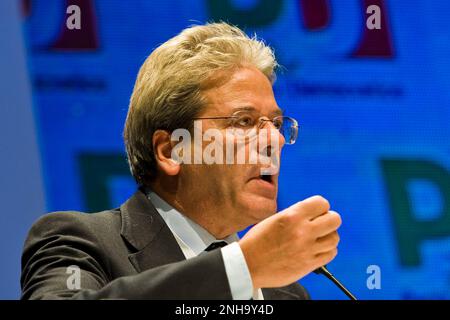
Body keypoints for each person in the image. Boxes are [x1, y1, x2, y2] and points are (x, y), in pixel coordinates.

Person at [21, 22, 341, 300]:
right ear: (171, 151)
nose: (275, 139)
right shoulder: (79, 242)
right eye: (244, 121)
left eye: (275, 123)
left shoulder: (284, 292)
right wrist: (242, 268)